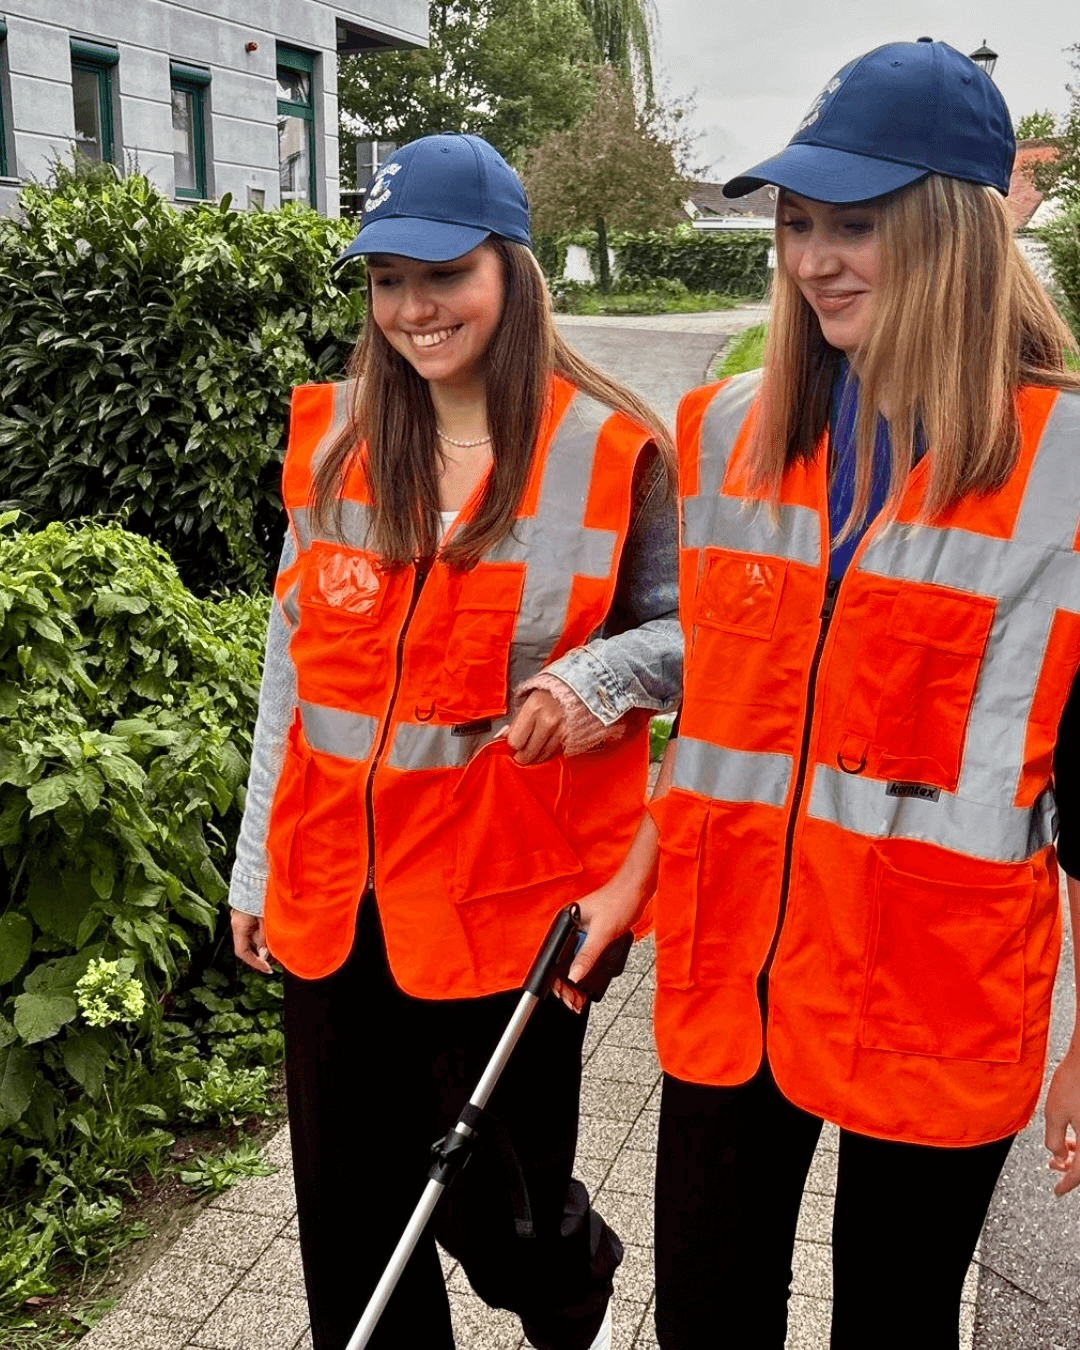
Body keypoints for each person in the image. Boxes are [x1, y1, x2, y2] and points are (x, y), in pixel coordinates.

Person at [565, 39, 1080, 1348]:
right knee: (705, 1318)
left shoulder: (1066, 461)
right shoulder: (731, 430)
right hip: (736, 962)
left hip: (938, 988)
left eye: (856, 223)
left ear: (957, 232)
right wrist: (635, 875)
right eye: (797, 223)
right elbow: (724, 709)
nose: (813, 258)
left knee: (896, 1324)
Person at [226, 132, 680, 1350]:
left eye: (444, 274)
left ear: (511, 273)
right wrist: (254, 862)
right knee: (354, 1227)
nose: (413, 309)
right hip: (336, 898)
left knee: (507, 1222)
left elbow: (714, 640)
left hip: (512, 907)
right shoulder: (336, 443)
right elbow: (292, 664)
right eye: (387, 281)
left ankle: (570, 1282)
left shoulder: (609, 454)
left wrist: (601, 670)